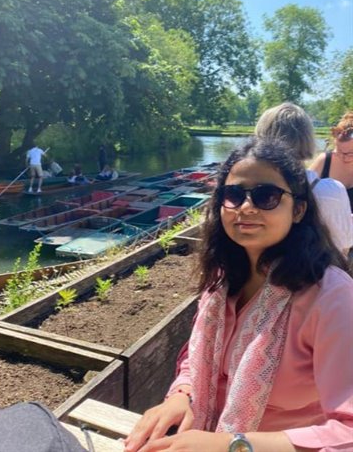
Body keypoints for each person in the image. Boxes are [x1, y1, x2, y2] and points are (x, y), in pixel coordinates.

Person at [124, 140, 353, 452]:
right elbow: (195, 357)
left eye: (266, 196)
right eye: (233, 195)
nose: (246, 207)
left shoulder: (330, 297)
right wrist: (181, 396)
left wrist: (234, 446)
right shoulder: (222, 280)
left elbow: (347, 431)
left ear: (298, 209)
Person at [255, 102, 353, 255]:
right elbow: (343, 248)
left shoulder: (243, 192)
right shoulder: (332, 190)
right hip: (316, 274)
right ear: (308, 139)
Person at [310, 111, 353, 212]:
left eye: (350, 153)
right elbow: (301, 192)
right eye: (339, 151)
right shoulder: (324, 161)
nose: (344, 158)